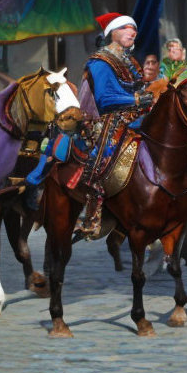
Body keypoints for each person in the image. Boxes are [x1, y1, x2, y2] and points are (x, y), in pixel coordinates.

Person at [77, 13, 161, 236]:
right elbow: (104, 98)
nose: (132, 32)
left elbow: (137, 88)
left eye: (133, 28)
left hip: (136, 115)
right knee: (101, 159)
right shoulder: (100, 61)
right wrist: (134, 100)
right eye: (125, 28)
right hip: (109, 119)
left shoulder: (130, 61)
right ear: (112, 33)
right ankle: (92, 210)